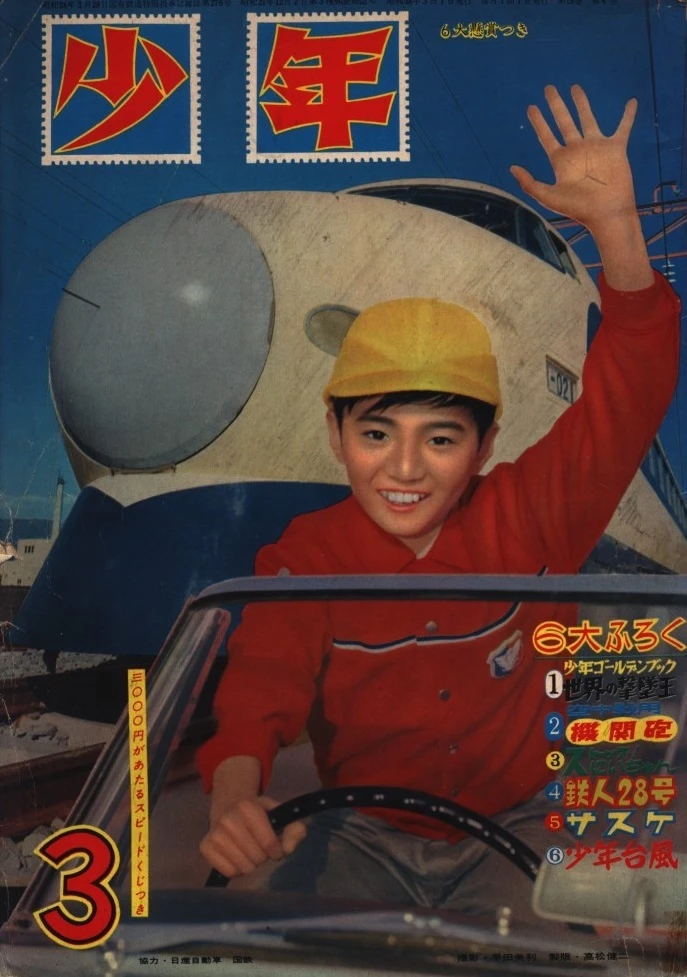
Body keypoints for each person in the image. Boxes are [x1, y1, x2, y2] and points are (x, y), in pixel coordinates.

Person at [195, 86, 680, 917]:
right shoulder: (304, 557)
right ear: (335, 433)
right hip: (358, 832)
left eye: (442, 438)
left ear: (485, 447)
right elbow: (255, 697)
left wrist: (616, 231)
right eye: (375, 432)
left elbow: (630, 386)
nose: (404, 468)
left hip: (519, 827)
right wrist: (234, 799)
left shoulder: (535, 512)